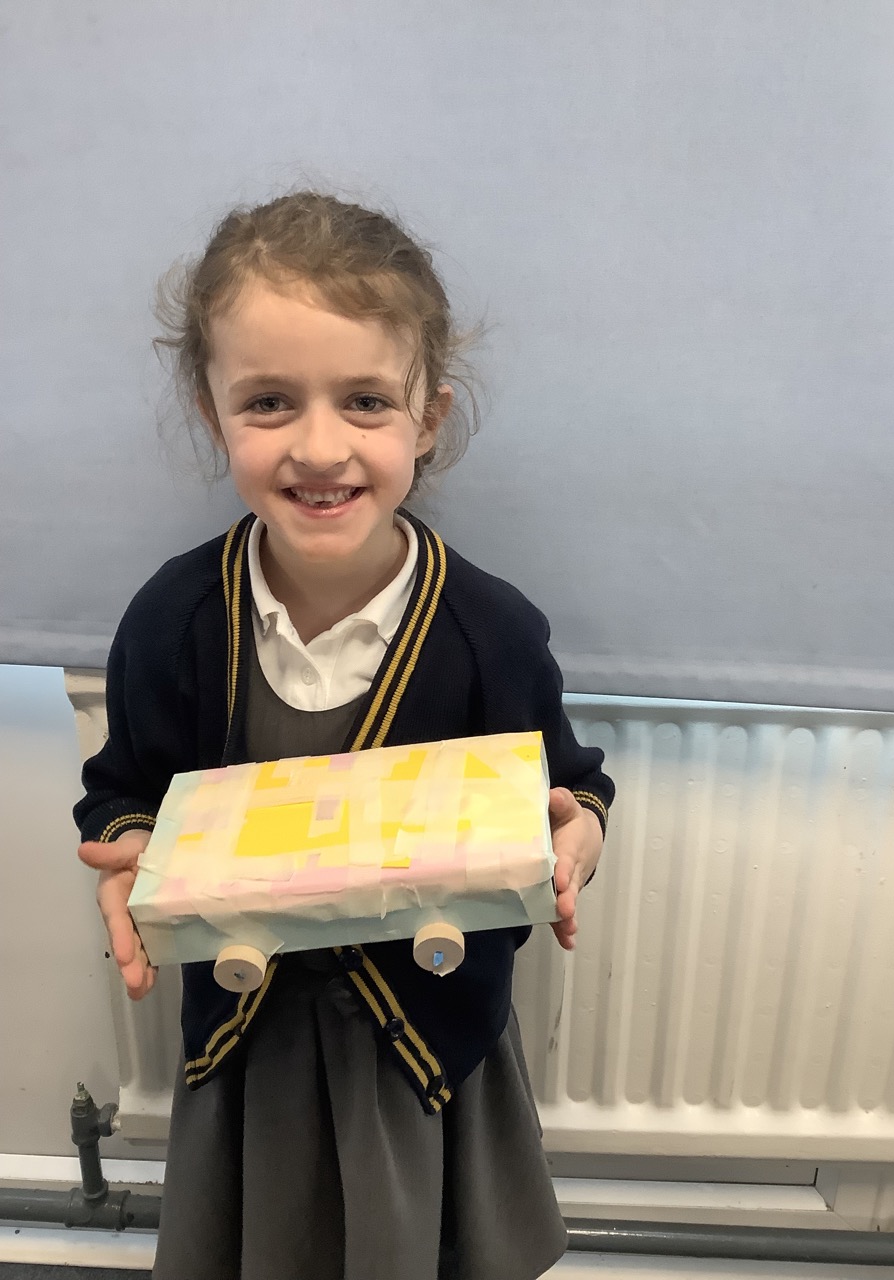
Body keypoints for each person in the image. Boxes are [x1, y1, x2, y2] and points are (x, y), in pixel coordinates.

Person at [75, 191, 614, 1280]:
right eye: (270, 401)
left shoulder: (490, 630)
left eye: (365, 400)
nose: (320, 448)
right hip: (254, 1047)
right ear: (212, 411)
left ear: (429, 417)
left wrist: (576, 837)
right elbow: (125, 787)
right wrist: (131, 847)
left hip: (423, 1047)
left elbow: (571, 786)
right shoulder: (174, 622)